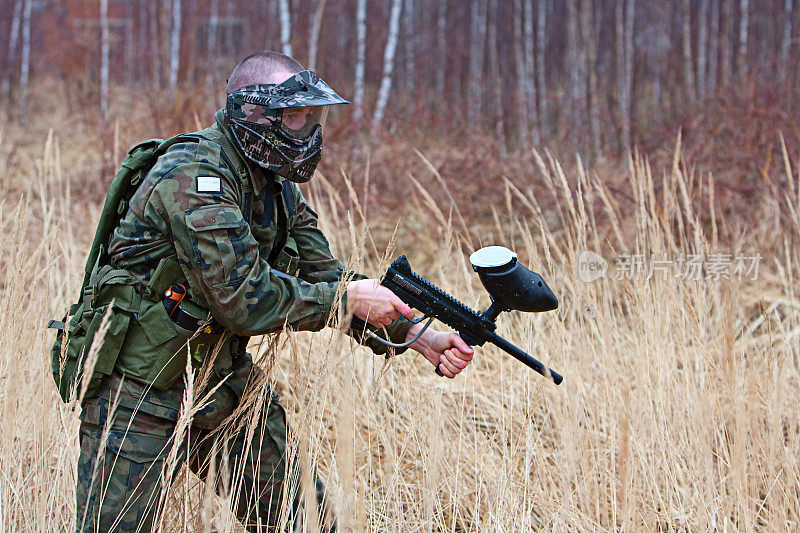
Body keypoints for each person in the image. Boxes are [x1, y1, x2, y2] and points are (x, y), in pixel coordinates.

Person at [72, 51, 474, 532]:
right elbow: (243, 299)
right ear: (254, 114)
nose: (306, 130)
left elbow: (325, 274)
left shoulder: (276, 188)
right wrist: (345, 301)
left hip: (218, 381)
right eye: (295, 117)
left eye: (310, 117)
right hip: (137, 390)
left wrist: (416, 336)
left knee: (304, 521)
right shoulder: (193, 177)